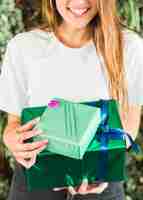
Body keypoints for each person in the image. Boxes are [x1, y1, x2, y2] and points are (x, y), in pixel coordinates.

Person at [0, 0, 143, 199]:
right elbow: (12, 125)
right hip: (35, 180)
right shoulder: (24, 47)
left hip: (100, 182)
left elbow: (128, 124)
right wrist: (13, 141)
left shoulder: (129, 46)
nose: (80, 2)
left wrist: (100, 169)